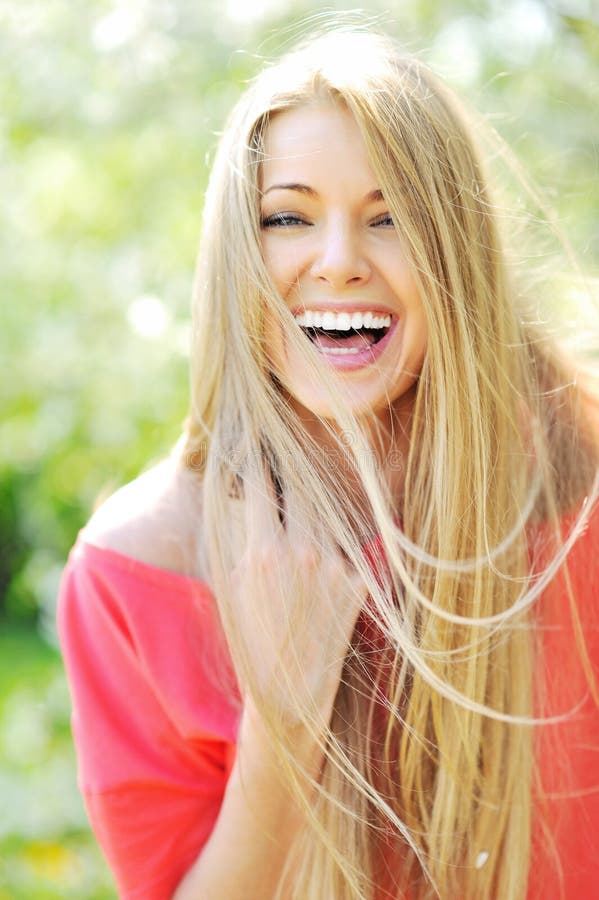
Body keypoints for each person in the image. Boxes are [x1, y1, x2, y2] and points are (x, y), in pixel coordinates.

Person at [57, 26, 599, 900]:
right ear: (240, 250)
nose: (339, 262)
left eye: (392, 219)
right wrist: (286, 719)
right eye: (288, 218)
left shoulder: (577, 479)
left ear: (454, 256)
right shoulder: (137, 574)